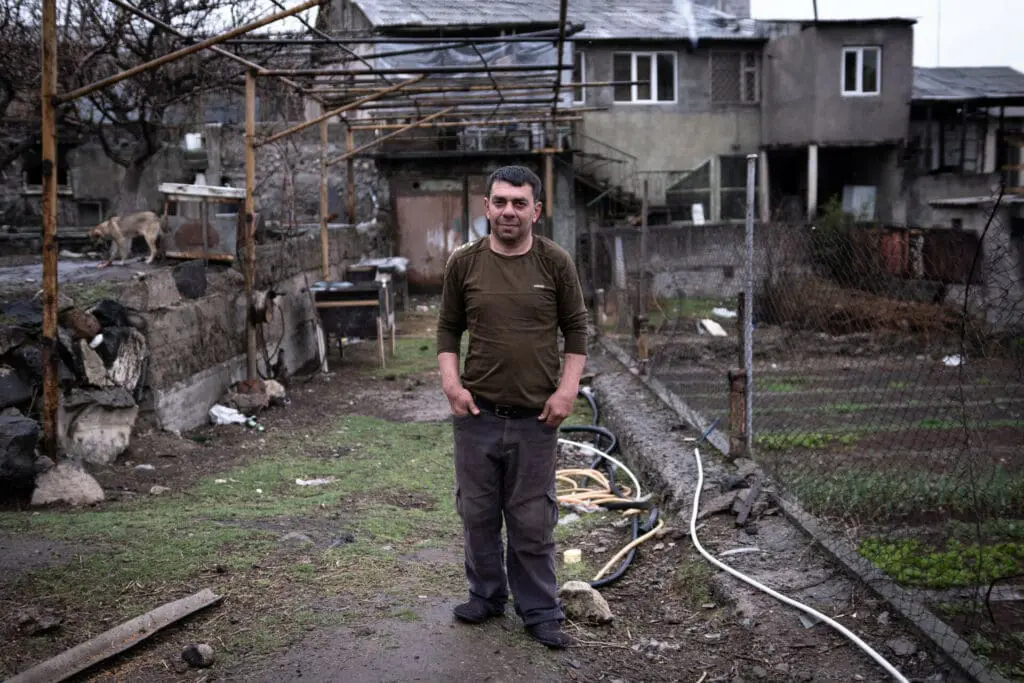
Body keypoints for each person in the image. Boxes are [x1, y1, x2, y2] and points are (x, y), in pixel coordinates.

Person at [436, 165, 588, 649]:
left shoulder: (555, 262)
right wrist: (452, 386)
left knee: (532, 519)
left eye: (519, 203)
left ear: (536, 211)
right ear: (486, 207)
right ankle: (486, 595)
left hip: (535, 419)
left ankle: (540, 610)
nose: (508, 211)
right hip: (477, 415)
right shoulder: (465, 263)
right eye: (500, 202)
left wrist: (566, 391)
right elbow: (447, 329)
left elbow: (577, 330)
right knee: (477, 512)